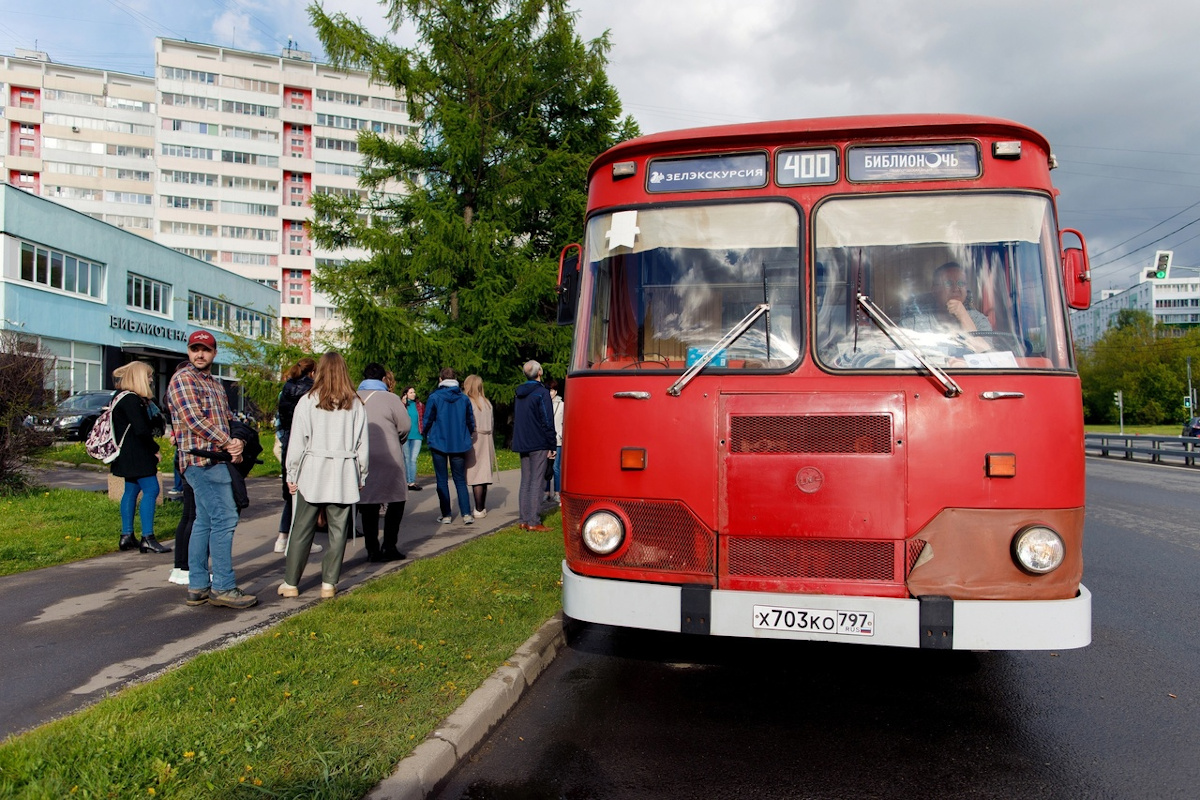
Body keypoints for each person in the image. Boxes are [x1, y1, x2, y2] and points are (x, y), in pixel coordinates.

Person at [167, 330, 255, 609]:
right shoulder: (183, 379)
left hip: (217, 461)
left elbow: (229, 419)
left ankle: (198, 586)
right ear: (188, 351)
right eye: (195, 349)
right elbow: (193, 419)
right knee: (225, 518)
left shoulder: (216, 385)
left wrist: (238, 440)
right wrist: (229, 442)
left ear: (214, 353)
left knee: (204, 521)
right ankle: (224, 587)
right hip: (198, 461)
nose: (200, 354)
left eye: (205, 349)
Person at [279, 352, 369, 599]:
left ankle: (291, 583)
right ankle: (329, 583)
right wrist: (361, 475)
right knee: (338, 530)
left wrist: (292, 472)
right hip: (343, 471)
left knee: (302, 528)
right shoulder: (356, 404)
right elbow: (363, 444)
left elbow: (297, 440)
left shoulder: (308, 401)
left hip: (313, 470)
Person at [110, 361, 170, 554]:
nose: (152, 379)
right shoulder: (132, 400)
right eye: (149, 376)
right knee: (151, 489)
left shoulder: (120, 397)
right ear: (139, 377)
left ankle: (126, 536)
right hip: (138, 453)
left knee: (131, 490)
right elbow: (142, 430)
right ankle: (148, 537)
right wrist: (155, 449)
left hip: (126, 454)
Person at [356, 363, 410, 562]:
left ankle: (372, 548)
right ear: (383, 379)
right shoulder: (391, 398)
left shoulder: (353, 397)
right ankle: (389, 545)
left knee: (368, 503)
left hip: (361, 456)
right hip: (389, 455)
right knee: (396, 499)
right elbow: (405, 426)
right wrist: (398, 439)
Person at [275, 358, 321, 556]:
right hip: (307, 441)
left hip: (287, 438)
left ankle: (282, 537)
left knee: (291, 490)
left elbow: (282, 416)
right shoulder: (312, 390)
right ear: (312, 372)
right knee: (308, 494)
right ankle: (303, 541)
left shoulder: (286, 388)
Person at [421, 367, 476, 524]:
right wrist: (468, 433)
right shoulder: (464, 398)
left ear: (440, 379)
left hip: (439, 441)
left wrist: (425, 434)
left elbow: (428, 419)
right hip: (459, 441)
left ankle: (446, 515)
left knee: (442, 479)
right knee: (459, 479)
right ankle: (466, 514)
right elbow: (470, 420)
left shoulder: (434, 397)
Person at [511, 360, 556, 532]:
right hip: (538, 441)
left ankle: (523, 519)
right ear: (540, 372)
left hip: (523, 441)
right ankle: (533, 521)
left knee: (526, 481)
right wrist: (552, 443)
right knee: (537, 481)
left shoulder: (519, 393)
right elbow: (547, 420)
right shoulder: (541, 393)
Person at [900, 261, 992, 334]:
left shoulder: (979, 321)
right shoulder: (913, 324)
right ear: (934, 290)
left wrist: (963, 316)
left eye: (961, 283)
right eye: (948, 283)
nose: (956, 288)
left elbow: (984, 353)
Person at [463, 374, 496, 518]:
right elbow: (493, 424)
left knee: (476, 474)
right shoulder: (487, 403)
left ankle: (477, 508)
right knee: (484, 472)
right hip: (487, 438)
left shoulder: (468, 402)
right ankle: (481, 507)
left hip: (474, 439)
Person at [402, 386, 424, 491]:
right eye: (411, 392)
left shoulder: (419, 405)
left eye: (414, 392)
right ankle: (407, 481)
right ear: (405, 394)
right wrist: (403, 403)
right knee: (406, 458)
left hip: (417, 436)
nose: (413, 394)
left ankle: (412, 482)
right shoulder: (401, 405)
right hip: (405, 436)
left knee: (413, 459)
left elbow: (423, 418)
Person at [550, 379, 564, 505]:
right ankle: (545, 492)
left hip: (558, 440)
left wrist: (560, 434)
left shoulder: (562, 405)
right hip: (546, 440)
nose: (551, 393)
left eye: (553, 390)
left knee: (556, 467)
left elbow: (565, 422)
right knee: (545, 467)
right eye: (549, 390)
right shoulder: (543, 404)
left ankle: (557, 492)